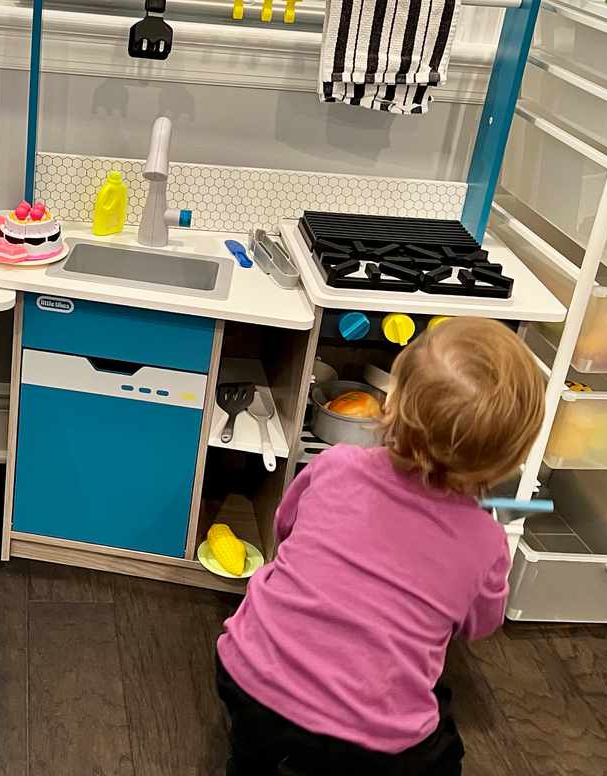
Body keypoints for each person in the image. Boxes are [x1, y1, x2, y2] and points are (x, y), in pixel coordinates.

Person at [216, 317, 547, 775]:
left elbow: (285, 530)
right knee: (441, 753)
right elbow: (479, 624)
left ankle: (253, 761)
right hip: (368, 739)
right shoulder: (486, 541)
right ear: (510, 457)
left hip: (250, 673)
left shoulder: (335, 465)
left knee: (259, 746)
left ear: (388, 404)